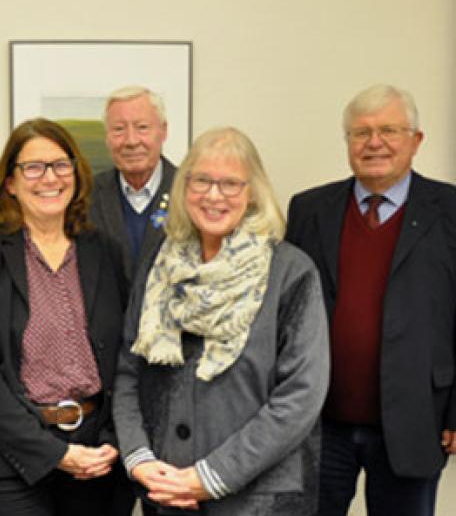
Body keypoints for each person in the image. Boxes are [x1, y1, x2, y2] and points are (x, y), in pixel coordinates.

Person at [113, 127, 329, 515]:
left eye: (230, 183)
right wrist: (139, 457)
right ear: (184, 188)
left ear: (252, 193)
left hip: (259, 501)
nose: (214, 195)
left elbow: (301, 396)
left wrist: (212, 476)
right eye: (202, 181)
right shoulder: (159, 266)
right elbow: (129, 371)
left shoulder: (291, 272)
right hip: (167, 491)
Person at [286, 84, 456, 516]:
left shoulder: (450, 210)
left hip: (416, 418)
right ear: (347, 142)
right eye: (361, 133)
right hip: (319, 423)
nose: (374, 143)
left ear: (416, 140)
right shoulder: (309, 209)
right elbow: (285, 314)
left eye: (389, 131)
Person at [0, 118, 128, 515]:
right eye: (33, 167)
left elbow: (125, 353)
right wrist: (51, 453)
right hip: (8, 459)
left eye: (60, 165)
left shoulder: (103, 250)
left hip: (94, 456)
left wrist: (112, 438)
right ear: (10, 183)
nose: (50, 178)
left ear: (76, 175)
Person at [90, 86, 177, 286]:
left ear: (163, 131)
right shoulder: (87, 195)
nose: (131, 141)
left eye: (142, 127)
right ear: (107, 137)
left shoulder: (189, 192)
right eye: (119, 129)